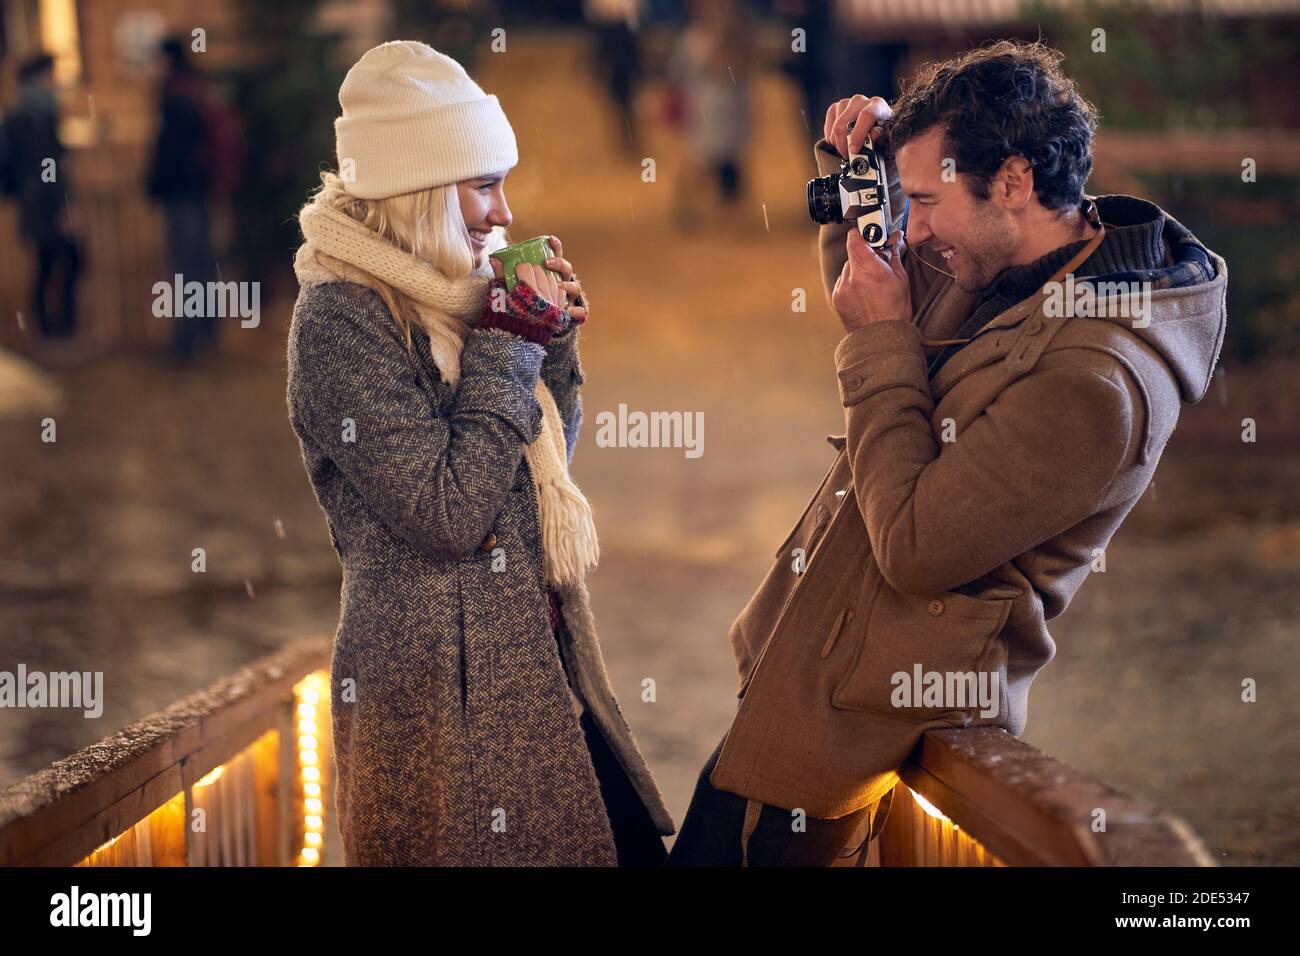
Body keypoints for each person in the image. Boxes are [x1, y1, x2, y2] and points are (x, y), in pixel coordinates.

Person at [668, 40, 1227, 866]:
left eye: (927, 199)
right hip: (826, 683)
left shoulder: (1094, 383)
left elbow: (917, 546)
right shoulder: (1030, 261)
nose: (914, 226)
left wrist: (883, 339)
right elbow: (897, 292)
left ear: (1012, 181)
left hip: (866, 727)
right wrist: (872, 180)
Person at [285, 41, 674, 866]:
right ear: (420, 191)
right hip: (435, 701)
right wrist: (507, 344)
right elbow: (447, 511)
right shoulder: (338, 321)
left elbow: (530, 473)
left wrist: (551, 344)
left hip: (530, 670)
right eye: (483, 186)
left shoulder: (452, 289)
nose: (504, 213)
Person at [145, 37, 230, 362]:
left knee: (187, 268)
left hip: (183, 196)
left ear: (167, 60)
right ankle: (206, 334)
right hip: (202, 193)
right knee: (203, 265)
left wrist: (153, 186)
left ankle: (188, 340)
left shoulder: (175, 97)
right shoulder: (198, 89)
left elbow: (170, 154)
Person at [0, 53, 81, 342]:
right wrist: (61, 206)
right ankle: (56, 330)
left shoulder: (18, 112)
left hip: (33, 200)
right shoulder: (39, 115)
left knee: (48, 263)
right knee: (62, 260)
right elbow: (48, 165)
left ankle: (49, 329)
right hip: (44, 202)